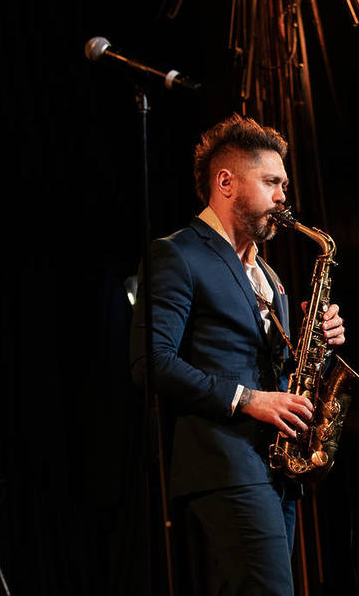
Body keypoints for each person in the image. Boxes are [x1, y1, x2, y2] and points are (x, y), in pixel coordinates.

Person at [130, 113, 345, 595]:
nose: (283, 197)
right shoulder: (177, 254)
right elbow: (152, 363)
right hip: (225, 461)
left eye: (284, 184)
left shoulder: (268, 276)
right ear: (226, 181)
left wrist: (321, 343)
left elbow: (287, 375)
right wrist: (249, 399)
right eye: (271, 182)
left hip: (275, 466)